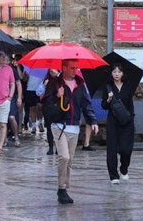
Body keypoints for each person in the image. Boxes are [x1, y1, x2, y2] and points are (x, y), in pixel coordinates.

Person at [42, 59, 98, 204]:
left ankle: (64, 189)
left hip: (74, 126)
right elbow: (46, 105)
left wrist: (92, 121)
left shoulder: (80, 84)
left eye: (76, 67)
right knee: (64, 157)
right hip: (59, 125)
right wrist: (57, 96)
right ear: (64, 68)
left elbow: (86, 104)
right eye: (72, 68)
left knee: (70, 161)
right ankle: (61, 189)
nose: (75, 70)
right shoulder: (55, 83)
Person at [101, 63, 135, 184]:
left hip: (126, 122)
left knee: (126, 149)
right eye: (114, 72)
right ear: (111, 73)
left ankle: (124, 169)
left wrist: (131, 118)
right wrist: (108, 99)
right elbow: (104, 106)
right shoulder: (108, 87)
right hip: (113, 122)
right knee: (112, 149)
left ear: (122, 73)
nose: (116, 74)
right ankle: (113, 175)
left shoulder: (128, 86)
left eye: (119, 72)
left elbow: (130, 104)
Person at [36, 69, 60, 155]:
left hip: (58, 107)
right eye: (51, 72)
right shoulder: (45, 81)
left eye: (54, 71)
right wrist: (44, 85)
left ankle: (58, 147)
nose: (52, 73)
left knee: (58, 128)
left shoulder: (60, 81)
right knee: (49, 128)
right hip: (48, 106)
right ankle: (50, 148)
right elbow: (38, 93)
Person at [7, 54, 23, 147]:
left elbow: (18, 83)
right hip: (1, 97)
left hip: (12, 96)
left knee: (12, 117)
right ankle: (3, 138)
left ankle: (16, 136)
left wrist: (19, 97)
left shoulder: (13, 70)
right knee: (2, 120)